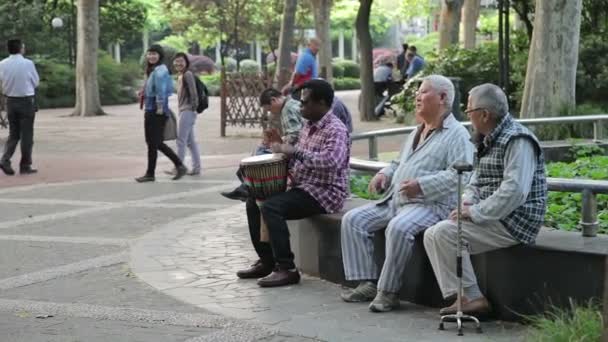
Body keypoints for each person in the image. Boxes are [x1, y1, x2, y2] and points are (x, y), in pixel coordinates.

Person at [340, 75, 474, 312]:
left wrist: (421, 185)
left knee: (398, 227)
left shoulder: (457, 135)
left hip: (429, 205)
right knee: (352, 220)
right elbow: (398, 162)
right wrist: (385, 173)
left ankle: (388, 292)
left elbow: (460, 176)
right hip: (396, 199)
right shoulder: (418, 130)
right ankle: (367, 282)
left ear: (442, 98)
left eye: (423, 92)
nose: (417, 96)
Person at [423, 83, 548, 317]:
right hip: (495, 214)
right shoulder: (487, 137)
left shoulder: (517, 140)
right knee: (433, 234)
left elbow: (515, 192)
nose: (467, 116)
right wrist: (468, 202)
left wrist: (475, 212)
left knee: (444, 233)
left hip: (516, 220)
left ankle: (473, 298)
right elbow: (476, 180)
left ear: (484, 114)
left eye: (469, 110)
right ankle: (464, 296)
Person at [236, 79, 350, 287]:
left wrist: (293, 151)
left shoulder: (336, 129)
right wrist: (279, 147)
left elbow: (332, 162)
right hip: (303, 186)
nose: (300, 106)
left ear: (322, 103)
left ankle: (287, 268)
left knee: (271, 207)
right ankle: (268, 261)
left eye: (305, 102)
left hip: (324, 192)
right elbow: (298, 157)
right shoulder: (308, 126)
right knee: (254, 201)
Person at [221, 88, 303, 201]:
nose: (271, 112)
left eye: (269, 109)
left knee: (261, 152)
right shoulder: (293, 103)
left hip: (297, 149)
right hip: (300, 146)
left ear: (273, 100)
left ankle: (246, 187)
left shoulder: (287, 109)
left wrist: (279, 143)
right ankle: (245, 186)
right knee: (262, 148)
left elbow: (295, 134)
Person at [135, 45, 187, 183]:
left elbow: (161, 90)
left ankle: (178, 165)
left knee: (155, 142)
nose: (151, 56)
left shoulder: (160, 70)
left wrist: (159, 107)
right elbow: (152, 88)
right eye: (149, 54)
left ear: (160, 56)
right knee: (153, 143)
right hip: (151, 109)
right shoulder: (153, 69)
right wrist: (143, 92)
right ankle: (152, 173)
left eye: (154, 54)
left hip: (156, 111)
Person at [0, 39, 40, 175]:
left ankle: (5, 159)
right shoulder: (28, 64)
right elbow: (35, 82)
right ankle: (25, 165)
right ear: (20, 48)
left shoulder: (2, 64)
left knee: (13, 134)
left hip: (10, 101)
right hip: (26, 101)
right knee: (27, 135)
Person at [171, 53, 201, 176]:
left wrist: (193, 109)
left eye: (181, 61)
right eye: (176, 61)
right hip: (185, 111)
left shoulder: (187, 74)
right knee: (190, 142)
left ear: (186, 62)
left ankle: (179, 168)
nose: (178, 63)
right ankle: (196, 168)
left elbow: (194, 94)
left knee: (181, 141)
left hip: (187, 110)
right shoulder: (180, 76)